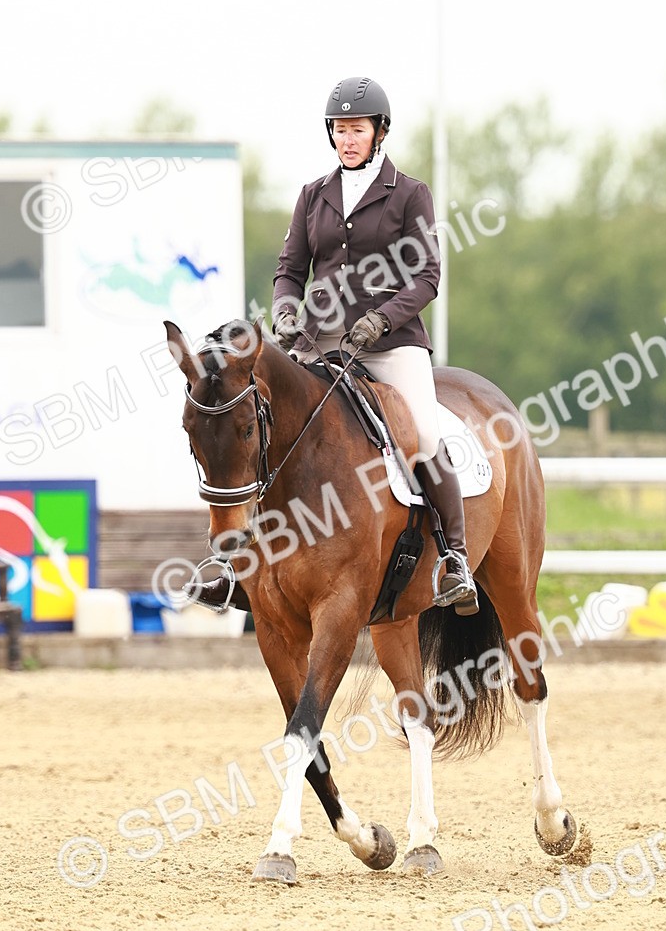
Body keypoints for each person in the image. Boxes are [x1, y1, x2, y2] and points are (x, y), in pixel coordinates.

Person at [193, 76, 478, 615]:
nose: (349, 140)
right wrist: (283, 311)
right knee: (260, 424)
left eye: (358, 130)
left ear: (379, 132)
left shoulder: (410, 193)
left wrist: (381, 320)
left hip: (391, 344)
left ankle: (454, 559)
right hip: (320, 343)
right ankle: (237, 565)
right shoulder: (313, 195)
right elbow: (289, 271)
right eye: (341, 131)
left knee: (425, 430)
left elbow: (427, 278)